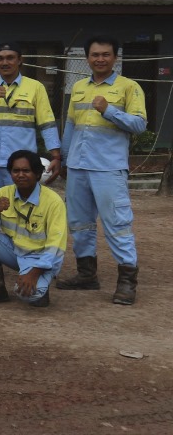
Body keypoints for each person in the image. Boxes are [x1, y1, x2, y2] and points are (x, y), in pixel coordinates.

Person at [57, 35, 147, 304]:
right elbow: (70, 126)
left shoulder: (129, 87)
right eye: (95, 55)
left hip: (108, 168)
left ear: (115, 58)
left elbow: (139, 125)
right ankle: (86, 274)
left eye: (106, 54)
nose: (100, 59)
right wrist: (63, 159)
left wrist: (109, 110)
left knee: (117, 224)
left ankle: (127, 282)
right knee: (79, 223)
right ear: (87, 58)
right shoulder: (79, 87)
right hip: (78, 166)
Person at [0, 42, 61, 203]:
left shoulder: (35, 87)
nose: (5, 62)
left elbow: (47, 123)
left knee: (21, 204)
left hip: (22, 165)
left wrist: (56, 156)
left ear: (20, 60)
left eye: (10, 58)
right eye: (0, 58)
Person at [0, 151, 66, 307]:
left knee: (30, 296)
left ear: (37, 174)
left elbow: (56, 246)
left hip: (38, 258)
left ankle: (41, 285)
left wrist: (34, 273)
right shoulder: (4, 193)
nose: (20, 175)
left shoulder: (53, 201)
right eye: (15, 171)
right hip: (13, 250)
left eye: (26, 171)